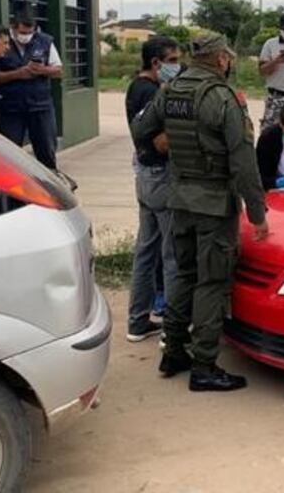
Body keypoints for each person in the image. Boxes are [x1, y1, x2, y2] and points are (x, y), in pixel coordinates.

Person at [132, 33, 269, 392]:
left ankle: (174, 351)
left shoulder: (171, 89)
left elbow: (140, 129)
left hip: (179, 199)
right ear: (221, 59)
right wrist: (258, 214)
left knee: (183, 275)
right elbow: (243, 161)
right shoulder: (222, 98)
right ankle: (205, 366)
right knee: (212, 281)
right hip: (213, 205)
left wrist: (169, 146)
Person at [125, 36, 181, 343]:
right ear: (157, 63)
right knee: (171, 254)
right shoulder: (152, 93)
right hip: (161, 175)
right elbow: (161, 142)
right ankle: (171, 331)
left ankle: (137, 322)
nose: (177, 66)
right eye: (173, 60)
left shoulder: (135, 86)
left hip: (145, 176)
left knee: (145, 251)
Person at [0, 10, 63, 170]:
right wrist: (18, 74)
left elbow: (59, 70)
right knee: (10, 153)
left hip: (40, 106)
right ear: (13, 28)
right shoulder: (2, 42)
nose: (26, 36)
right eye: (22, 32)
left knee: (46, 150)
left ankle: (48, 185)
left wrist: (42, 70)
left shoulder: (45, 41)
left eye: (30, 32)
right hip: (10, 107)